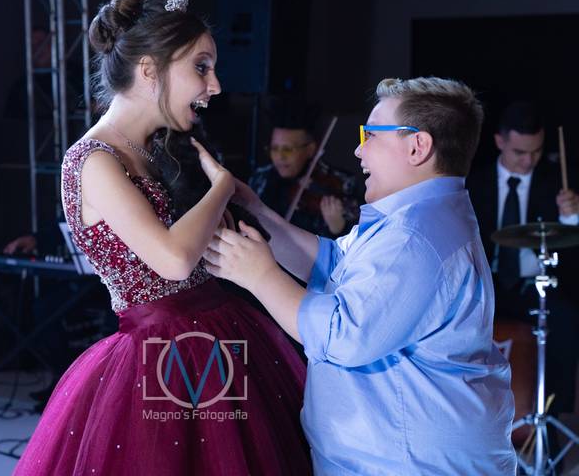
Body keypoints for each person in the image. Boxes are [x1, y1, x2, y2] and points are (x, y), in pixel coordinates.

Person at [13, 0, 311, 475]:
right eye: (201, 67)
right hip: (160, 352)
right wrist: (221, 187)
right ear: (150, 69)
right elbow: (173, 260)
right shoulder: (92, 160)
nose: (215, 86)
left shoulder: (158, 149)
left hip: (222, 331)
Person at [205, 77, 517, 474]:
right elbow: (336, 263)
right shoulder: (419, 215)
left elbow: (343, 336)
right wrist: (259, 213)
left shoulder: (415, 237)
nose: (358, 149)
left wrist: (260, 276)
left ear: (417, 147)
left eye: (370, 134)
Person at [467, 101, 579, 420]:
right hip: (488, 286)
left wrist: (572, 218)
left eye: (536, 152)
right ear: (499, 141)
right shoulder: (474, 183)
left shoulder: (559, 182)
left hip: (535, 287)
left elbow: (570, 254)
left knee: (566, 320)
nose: (528, 160)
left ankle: (551, 417)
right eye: (519, 152)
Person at [248, 100, 361, 238]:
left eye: (288, 149)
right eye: (274, 148)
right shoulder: (261, 178)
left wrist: (339, 229)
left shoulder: (342, 183)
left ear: (310, 149)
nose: (280, 156)